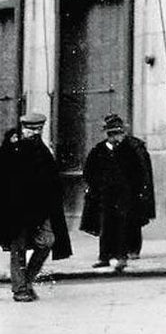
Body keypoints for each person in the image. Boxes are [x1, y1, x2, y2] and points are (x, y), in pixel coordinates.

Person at [1, 114, 73, 302]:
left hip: (40, 209)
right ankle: (20, 289)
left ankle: (27, 280)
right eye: (32, 129)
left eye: (39, 129)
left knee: (47, 242)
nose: (35, 133)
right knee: (19, 249)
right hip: (16, 209)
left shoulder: (42, 149)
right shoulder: (12, 148)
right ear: (23, 128)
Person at [79, 114, 149, 271]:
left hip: (125, 197)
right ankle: (104, 257)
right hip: (105, 197)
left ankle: (121, 258)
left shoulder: (129, 151)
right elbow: (89, 172)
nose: (118, 138)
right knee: (106, 227)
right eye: (114, 135)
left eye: (119, 134)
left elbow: (138, 173)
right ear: (108, 136)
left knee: (123, 227)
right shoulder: (98, 151)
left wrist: (136, 192)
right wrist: (96, 188)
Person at [122, 125, 155, 260]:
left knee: (132, 222)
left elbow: (143, 172)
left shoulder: (135, 147)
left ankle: (133, 250)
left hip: (132, 192)